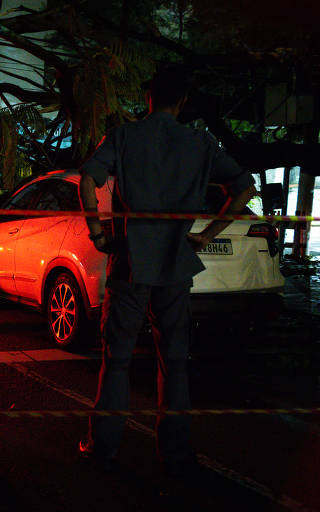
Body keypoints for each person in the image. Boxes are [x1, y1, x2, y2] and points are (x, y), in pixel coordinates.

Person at [77, 66, 257, 476]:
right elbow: (244, 187)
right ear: (183, 102)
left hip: (130, 264)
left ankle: (102, 446)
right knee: (175, 362)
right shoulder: (200, 142)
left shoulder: (123, 136)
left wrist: (96, 232)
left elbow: (89, 179)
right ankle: (175, 453)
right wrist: (206, 234)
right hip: (176, 264)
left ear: (148, 98)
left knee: (117, 358)